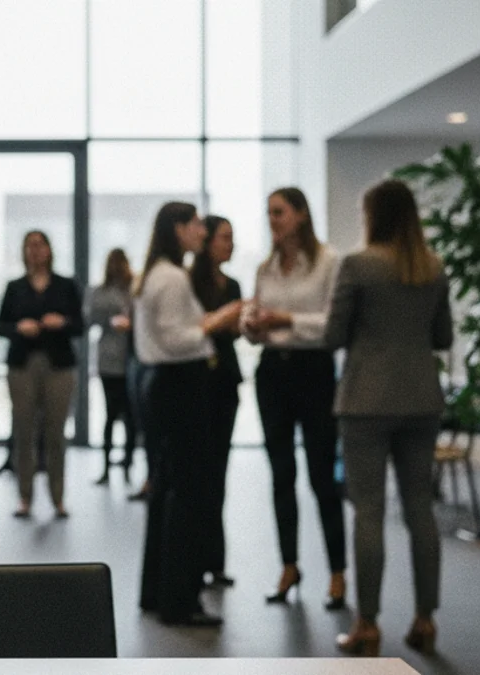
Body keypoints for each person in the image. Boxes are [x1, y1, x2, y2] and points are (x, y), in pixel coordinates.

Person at [329, 180, 452, 657]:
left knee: (369, 510)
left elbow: (334, 335)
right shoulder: (433, 266)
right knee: (421, 509)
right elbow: (441, 336)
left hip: (366, 401)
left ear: (372, 215)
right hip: (422, 398)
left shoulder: (358, 265)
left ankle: (367, 624)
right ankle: (425, 620)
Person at [134, 202, 242, 627]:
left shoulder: (155, 274)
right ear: (179, 229)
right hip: (179, 386)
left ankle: (157, 593)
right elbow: (179, 338)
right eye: (196, 223)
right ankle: (180, 600)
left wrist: (212, 320)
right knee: (188, 494)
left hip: (161, 385)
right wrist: (217, 323)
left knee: (166, 489)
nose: (202, 229)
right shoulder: (174, 277)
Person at [242, 187, 348, 610]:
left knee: (323, 477)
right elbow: (255, 317)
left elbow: (332, 326)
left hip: (314, 373)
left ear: (302, 215)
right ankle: (289, 566)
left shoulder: (329, 263)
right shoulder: (266, 267)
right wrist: (253, 326)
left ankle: (338, 573)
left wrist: (285, 319)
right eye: (269, 213)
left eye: (280, 212)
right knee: (281, 474)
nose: (273, 221)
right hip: (272, 372)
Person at [0, 230, 83, 519]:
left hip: (58, 364)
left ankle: (58, 497)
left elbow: (79, 325)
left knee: (55, 433)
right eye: (29, 246)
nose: (34, 251)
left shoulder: (66, 285)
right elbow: (1, 326)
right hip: (23, 364)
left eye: (39, 245)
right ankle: (25, 496)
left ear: (49, 249)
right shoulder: (15, 287)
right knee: (24, 430)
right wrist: (19, 327)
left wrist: (62, 322)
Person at [190, 216, 243, 589]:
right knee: (199, 473)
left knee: (219, 472)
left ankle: (215, 559)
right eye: (225, 238)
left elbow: (231, 328)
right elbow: (195, 328)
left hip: (225, 379)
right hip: (197, 383)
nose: (231, 245)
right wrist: (218, 321)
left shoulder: (234, 283)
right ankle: (195, 557)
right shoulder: (188, 282)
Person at [88, 248, 136, 485]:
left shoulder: (135, 289)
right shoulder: (99, 292)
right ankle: (106, 467)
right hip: (109, 360)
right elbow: (90, 319)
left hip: (131, 358)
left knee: (130, 417)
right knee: (111, 414)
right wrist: (111, 320)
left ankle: (127, 464)